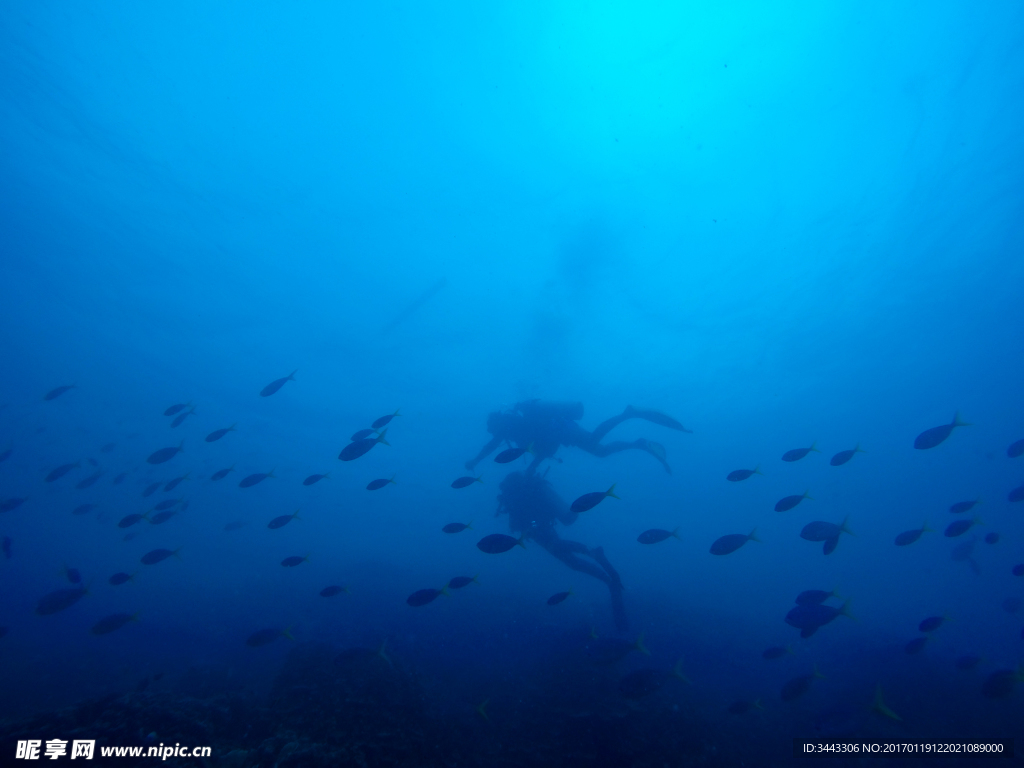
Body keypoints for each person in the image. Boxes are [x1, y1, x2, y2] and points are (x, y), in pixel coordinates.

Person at [497, 470, 629, 631]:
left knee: (558, 549)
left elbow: (521, 515)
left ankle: (591, 553)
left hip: (538, 527)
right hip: (539, 526)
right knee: (571, 562)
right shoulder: (520, 492)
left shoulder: (517, 494)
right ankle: (605, 576)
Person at [465, 400, 689, 475]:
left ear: (497, 424)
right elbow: (542, 448)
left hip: (561, 429)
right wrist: (533, 465)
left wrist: (475, 461)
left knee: (593, 440)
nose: (490, 432)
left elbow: (491, 446)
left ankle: (627, 414)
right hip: (560, 431)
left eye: (491, 428)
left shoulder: (511, 427)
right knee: (600, 451)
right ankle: (638, 443)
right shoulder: (512, 428)